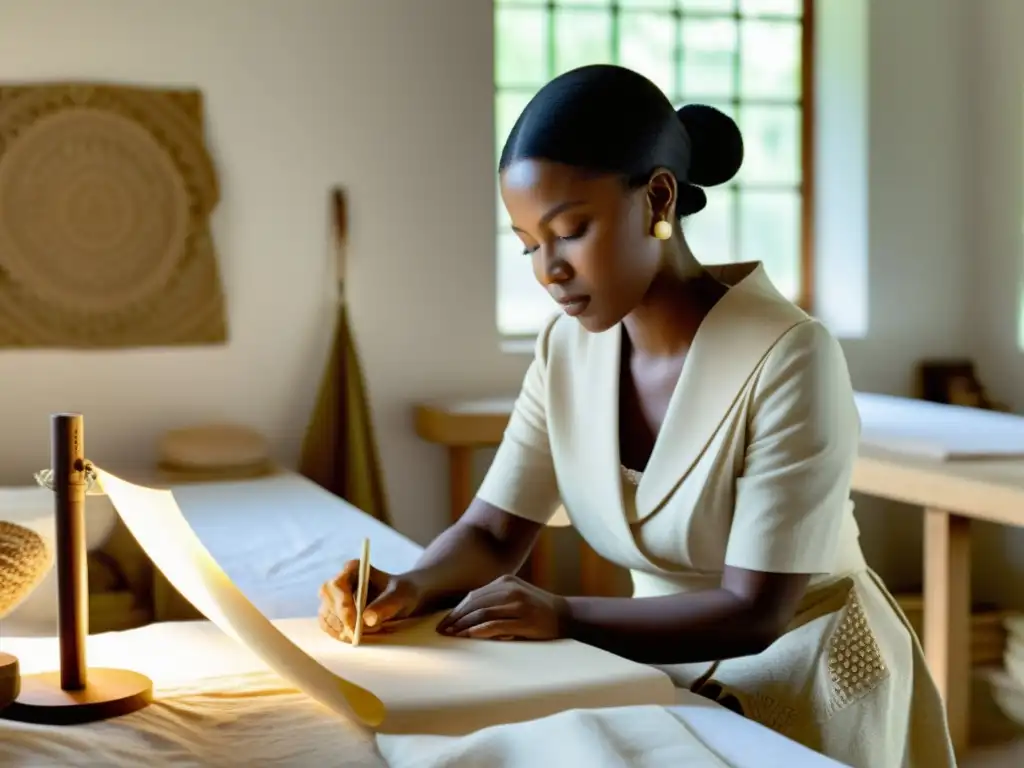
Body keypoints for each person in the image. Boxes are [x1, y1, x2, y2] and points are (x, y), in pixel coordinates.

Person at [319, 64, 956, 767]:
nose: (547, 270)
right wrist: (409, 586)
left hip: (804, 673)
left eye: (570, 230)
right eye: (530, 242)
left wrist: (563, 614)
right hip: (654, 667)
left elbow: (755, 610)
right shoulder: (566, 349)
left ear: (658, 195)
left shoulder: (791, 355)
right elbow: (495, 528)